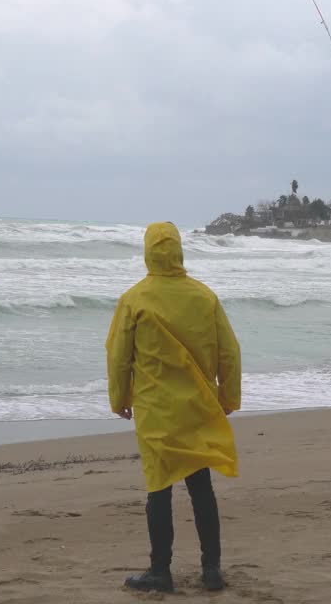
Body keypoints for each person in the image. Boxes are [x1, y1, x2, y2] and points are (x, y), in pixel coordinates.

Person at [106, 222, 241, 593]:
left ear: (148, 251)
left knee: (159, 489)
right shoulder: (204, 297)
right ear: (179, 251)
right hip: (198, 407)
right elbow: (230, 352)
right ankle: (211, 569)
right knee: (201, 488)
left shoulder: (135, 299)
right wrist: (228, 398)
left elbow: (118, 358)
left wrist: (119, 399)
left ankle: (160, 571)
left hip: (157, 411)